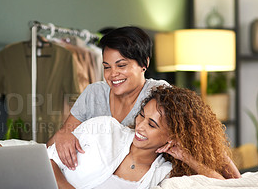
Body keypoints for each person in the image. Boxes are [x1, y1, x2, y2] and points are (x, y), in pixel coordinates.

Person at [0, 86, 240, 189]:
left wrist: (187, 156)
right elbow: (47, 161)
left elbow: (225, 186)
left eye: (152, 125)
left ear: (172, 137)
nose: (139, 126)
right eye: (142, 116)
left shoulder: (162, 175)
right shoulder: (105, 129)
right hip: (25, 162)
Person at [47, 26, 169, 170]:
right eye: (106, 67)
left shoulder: (159, 94)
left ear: (144, 64)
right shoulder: (94, 93)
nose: (112, 74)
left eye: (121, 65)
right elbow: (55, 143)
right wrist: (64, 135)